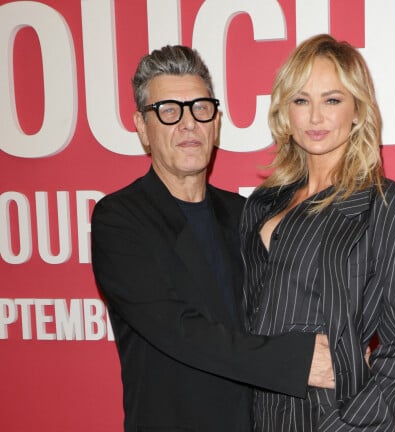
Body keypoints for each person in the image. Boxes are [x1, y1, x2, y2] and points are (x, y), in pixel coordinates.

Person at [91, 45, 334, 432]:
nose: (189, 124)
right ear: (141, 127)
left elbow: (282, 307)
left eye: (200, 108)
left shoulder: (245, 214)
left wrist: (346, 344)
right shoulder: (120, 220)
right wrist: (298, 361)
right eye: (169, 111)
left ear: (216, 122)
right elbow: (180, 330)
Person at [240, 34, 395, 431]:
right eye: (301, 100)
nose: (315, 118)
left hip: (335, 418)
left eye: (331, 100)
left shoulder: (394, 211)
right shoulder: (262, 204)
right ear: (285, 111)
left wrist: (347, 426)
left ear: (357, 111)